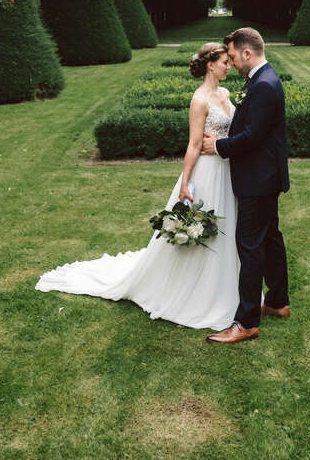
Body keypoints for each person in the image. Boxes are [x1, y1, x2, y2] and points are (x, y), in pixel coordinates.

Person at [35, 43, 240, 330]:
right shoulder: (199, 100)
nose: (229, 66)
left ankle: (224, 285)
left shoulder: (226, 94)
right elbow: (193, 145)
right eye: (224, 62)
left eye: (230, 62)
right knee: (204, 227)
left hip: (225, 167)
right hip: (206, 172)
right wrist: (185, 182)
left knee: (229, 228)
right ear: (210, 65)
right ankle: (196, 291)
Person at [201, 27, 290, 344]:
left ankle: (247, 321)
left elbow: (252, 137)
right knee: (270, 239)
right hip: (266, 176)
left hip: (258, 179)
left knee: (250, 246)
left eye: (234, 55)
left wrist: (219, 147)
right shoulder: (262, 80)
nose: (233, 62)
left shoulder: (264, 85)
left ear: (247, 53)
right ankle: (278, 302)